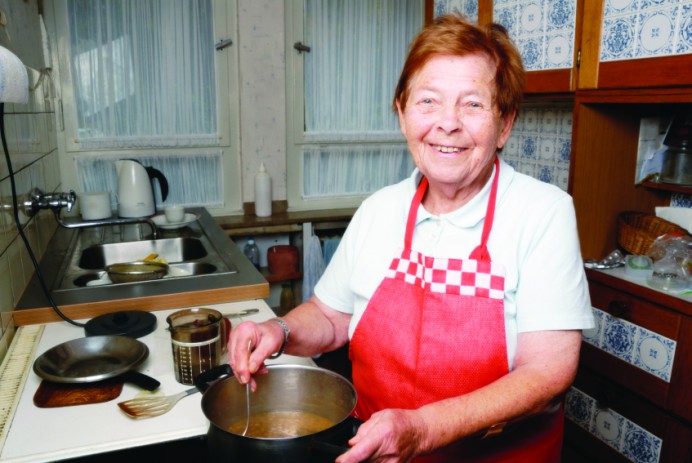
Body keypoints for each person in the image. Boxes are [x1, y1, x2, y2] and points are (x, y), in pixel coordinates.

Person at [229, 13, 594, 463]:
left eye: (473, 104)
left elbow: (548, 373)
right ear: (402, 114)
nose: (448, 123)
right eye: (428, 101)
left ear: (504, 125)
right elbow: (329, 316)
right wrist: (278, 330)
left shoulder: (542, 213)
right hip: (372, 452)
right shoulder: (379, 209)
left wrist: (423, 429)